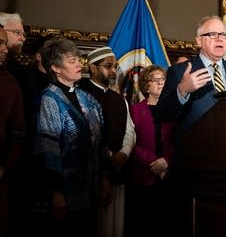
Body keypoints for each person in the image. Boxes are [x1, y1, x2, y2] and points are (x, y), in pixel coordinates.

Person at [35, 37, 106, 237]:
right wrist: (56, 192)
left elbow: (100, 141)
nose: (79, 64)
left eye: (78, 60)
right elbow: (49, 148)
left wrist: (104, 179)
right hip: (66, 189)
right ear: (56, 68)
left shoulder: (87, 98)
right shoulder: (49, 99)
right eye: (71, 61)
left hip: (91, 185)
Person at [156, 15, 226, 136]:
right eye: (213, 34)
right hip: (194, 149)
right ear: (199, 41)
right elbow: (161, 115)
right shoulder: (179, 71)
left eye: (224, 34)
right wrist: (182, 91)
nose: (220, 39)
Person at [78, 46, 135, 237]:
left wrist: (124, 153)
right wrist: (109, 157)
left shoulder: (119, 99)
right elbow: (89, 133)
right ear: (92, 68)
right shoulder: (81, 94)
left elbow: (129, 130)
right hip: (92, 174)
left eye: (115, 66)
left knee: (115, 226)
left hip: (119, 169)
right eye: (108, 66)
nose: (113, 71)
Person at [128, 65, 175, 236]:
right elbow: (132, 142)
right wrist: (152, 162)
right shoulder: (135, 110)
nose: (162, 83)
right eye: (157, 80)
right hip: (144, 177)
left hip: (169, 175)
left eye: (163, 79)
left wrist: (166, 161)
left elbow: (178, 139)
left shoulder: (173, 108)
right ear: (146, 85)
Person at [0, 27, 26, 237]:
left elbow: (17, 132)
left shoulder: (10, 83)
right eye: (0, 43)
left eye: (4, 42)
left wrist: (5, 167)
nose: (5, 48)